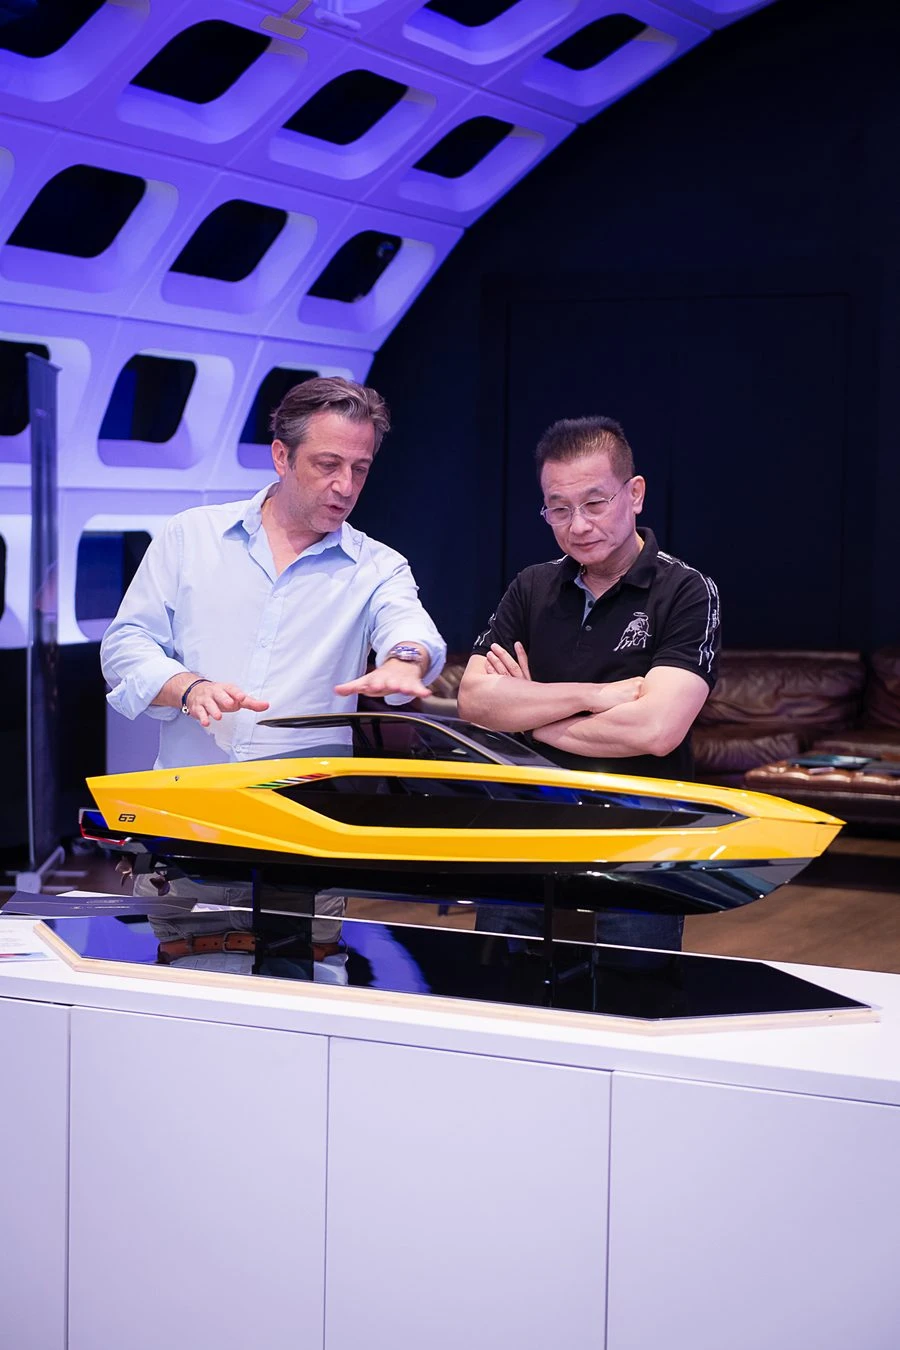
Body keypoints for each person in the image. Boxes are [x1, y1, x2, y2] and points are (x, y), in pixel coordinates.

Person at [100, 375, 446, 976]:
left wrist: (403, 661)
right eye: (328, 464)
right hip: (193, 825)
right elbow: (126, 643)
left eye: (360, 469)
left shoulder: (378, 566)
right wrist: (189, 687)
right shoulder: (192, 537)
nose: (345, 486)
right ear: (282, 456)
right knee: (190, 1000)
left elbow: (411, 631)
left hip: (303, 837)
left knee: (306, 999)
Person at [457, 415, 720, 956]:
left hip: (640, 834)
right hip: (522, 827)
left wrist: (528, 718)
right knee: (498, 982)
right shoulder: (531, 586)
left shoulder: (686, 591)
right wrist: (592, 697)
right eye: (559, 508)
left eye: (595, 503)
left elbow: (654, 730)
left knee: (633, 984)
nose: (577, 525)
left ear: (635, 494)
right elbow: (475, 700)